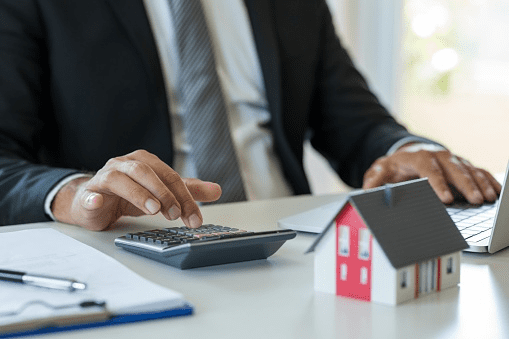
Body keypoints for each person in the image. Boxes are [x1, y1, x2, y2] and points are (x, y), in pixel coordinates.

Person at [0, 0, 500, 231]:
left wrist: (408, 152)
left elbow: (359, 126)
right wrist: (74, 194)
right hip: (136, 249)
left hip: (291, 245)